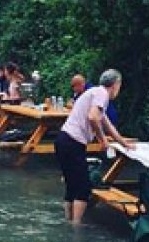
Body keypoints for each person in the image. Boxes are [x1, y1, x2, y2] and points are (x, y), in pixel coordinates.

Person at [55, 69, 134, 223]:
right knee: (83, 187)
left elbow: (107, 124)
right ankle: (76, 226)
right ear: (115, 84)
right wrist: (102, 140)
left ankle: (69, 222)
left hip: (63, 140)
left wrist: (124, 143)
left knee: (72, 185)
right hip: (73, 142)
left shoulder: (94, 93)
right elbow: (93, 117)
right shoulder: (102, 94)